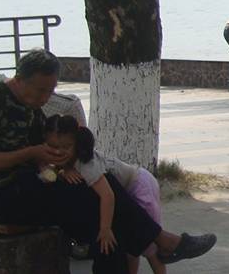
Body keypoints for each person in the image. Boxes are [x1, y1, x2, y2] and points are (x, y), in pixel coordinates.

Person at [0, 49, 215, 273]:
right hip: (6, 195)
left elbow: (45, 153)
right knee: (96, 199)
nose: (45, 97)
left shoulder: (32, 108)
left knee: (107, 223)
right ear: (19, 80)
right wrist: (32, 154)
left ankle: (162, 242)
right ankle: (164, 242)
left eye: (50, 91)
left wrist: (61, 163)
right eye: (41, 90)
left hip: (38, 184)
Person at [46, 116, 168, 274]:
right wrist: (63, 170)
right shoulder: (67, 161)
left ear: (77, 144)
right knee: (130, 246)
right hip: (121, 191)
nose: (59, 151)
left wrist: (105, 229)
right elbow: (50, 172)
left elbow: (108, 196)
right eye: (53, 146)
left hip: (139, 185)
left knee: (148, 244)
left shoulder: (86, 163)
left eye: (66, 147)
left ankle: (167, 245)